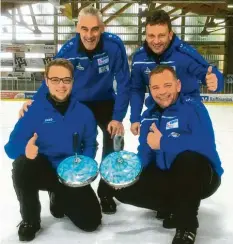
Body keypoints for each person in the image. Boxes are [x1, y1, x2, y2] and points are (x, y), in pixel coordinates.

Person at [18, 6, 130, 214]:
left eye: (95, 29)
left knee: (114, 141)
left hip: (105, 100)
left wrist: (117, 118)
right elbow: (52, 77)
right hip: (77, 102)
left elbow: (124, 83)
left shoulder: (114, 46)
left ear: (102, 28)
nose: (89, 35)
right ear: (77, 28)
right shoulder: (68, 50)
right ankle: (65, 184)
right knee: (73, 142)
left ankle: (106, 192)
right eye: (84, 29)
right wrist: (34, 102)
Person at [114, 65, 223, 244]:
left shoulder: (193, 108)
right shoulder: (148, 115)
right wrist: (128, 174)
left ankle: (186, 225)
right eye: (155, 88)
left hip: (202, 176)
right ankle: (175, 206)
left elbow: (203, 144)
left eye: (167, 85)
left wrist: (163, 143)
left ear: (178, 85)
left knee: (189, 159)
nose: (162, 92)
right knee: (122, 187)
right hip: (168, 174)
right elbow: (145, 153)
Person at [4, 59, 102, 242]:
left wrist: (82, 168)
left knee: (91, 223)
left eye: (66, 80)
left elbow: (90, 144)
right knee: (21, 165)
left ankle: (58, 197)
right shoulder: (33, 111)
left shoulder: (84, 113)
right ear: (47, 81)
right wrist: (25, 150)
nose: (61, 85)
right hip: (43, 169)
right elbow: (10, 148)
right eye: (55, 80)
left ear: (73, 81)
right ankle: (30, 220)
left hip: (70, 173)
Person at [130, 9, 224, 136]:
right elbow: (136, 89)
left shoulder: (185, 54)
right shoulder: (139, 58)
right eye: (151, 36)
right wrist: (135, 118)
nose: (156, 41)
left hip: (186, 115)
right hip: (156, 115)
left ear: (170, 34)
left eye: (161, 35)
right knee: (149, 151)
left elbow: (208, 72)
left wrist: (215, 80)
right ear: (146, 35)